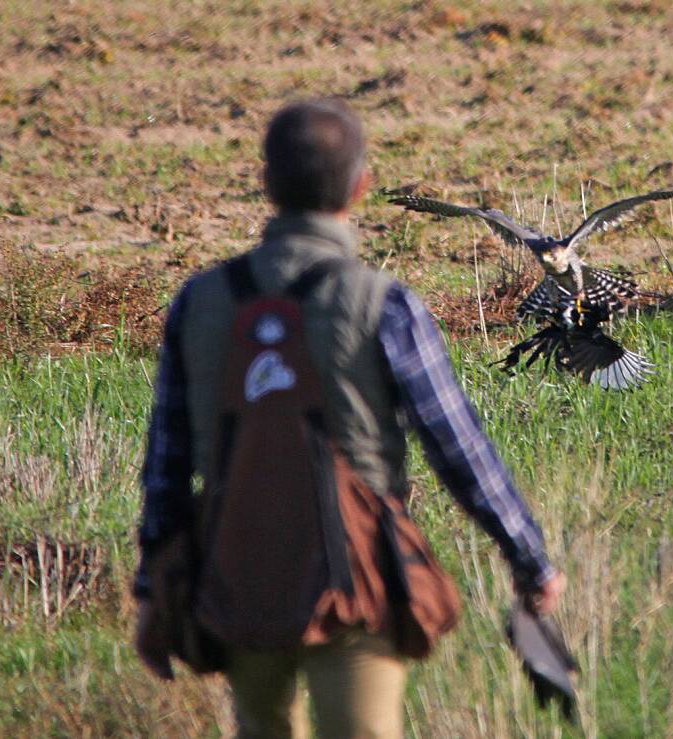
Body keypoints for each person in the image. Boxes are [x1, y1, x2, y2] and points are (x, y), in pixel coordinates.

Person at [132, 97, 565, 738]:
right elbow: (458, 449)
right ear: (362, 187)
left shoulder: (198, 302)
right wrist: (529, 559)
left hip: (237, 572)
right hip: (359, 578)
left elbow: (165, 470)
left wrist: (150, 589)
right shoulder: (384, 305)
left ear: (265, 185)